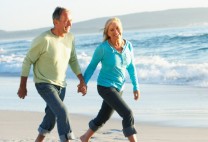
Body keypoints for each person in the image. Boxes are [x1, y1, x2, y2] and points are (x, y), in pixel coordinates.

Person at [17, 7, 87, 142]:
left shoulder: (70, 38)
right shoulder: (43, 39)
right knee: (62, 112)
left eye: (71, 21)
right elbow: (27, 61)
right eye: (66, 21)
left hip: (61, 85)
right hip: (44, 83)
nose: (70, 24)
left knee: (51, 116)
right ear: (56, 22)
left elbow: (73, 60)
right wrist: (22, 86)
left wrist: (81, 80)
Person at [80, 17, 140, 142]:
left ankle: (85, 137)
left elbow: (131, 67)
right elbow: (92, 66)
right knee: (127, 113)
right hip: (105, 86)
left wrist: (136, 86)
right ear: (107, 33)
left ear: (121, 29)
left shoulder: (128, 46)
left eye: (117, 28)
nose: (115, 31)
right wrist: (83, 83)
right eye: (111, 29)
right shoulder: (103, 48)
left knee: (104, 116)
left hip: (119, 87)